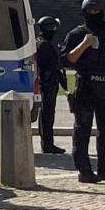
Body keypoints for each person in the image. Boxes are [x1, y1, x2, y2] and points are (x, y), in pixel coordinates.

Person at [62, 0, 105, 183]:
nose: (95, 13)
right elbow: (68, 59)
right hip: (86, 88)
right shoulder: (76, 34)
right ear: (85, 12)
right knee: (82, 130)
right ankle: (84, 170)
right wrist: (84, 44)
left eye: (97, 10)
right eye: (91, 10)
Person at [35, 16, 68, 154]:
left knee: (46, 114)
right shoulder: (45, 45)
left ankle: (47, 142)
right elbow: (50, 67)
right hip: (47, 83)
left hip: (46, 82)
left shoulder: (39, 42)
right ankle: (47, 143)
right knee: (47, 114)